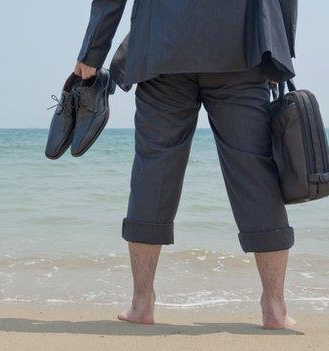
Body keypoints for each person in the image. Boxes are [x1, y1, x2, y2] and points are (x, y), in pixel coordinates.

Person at [74, 0, 298, 329]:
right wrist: (279, 49)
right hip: (241, 47)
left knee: (153, 170)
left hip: (161, 48)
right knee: (256, 174)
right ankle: (275, 307)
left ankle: (142, 303)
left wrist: (92, 53)